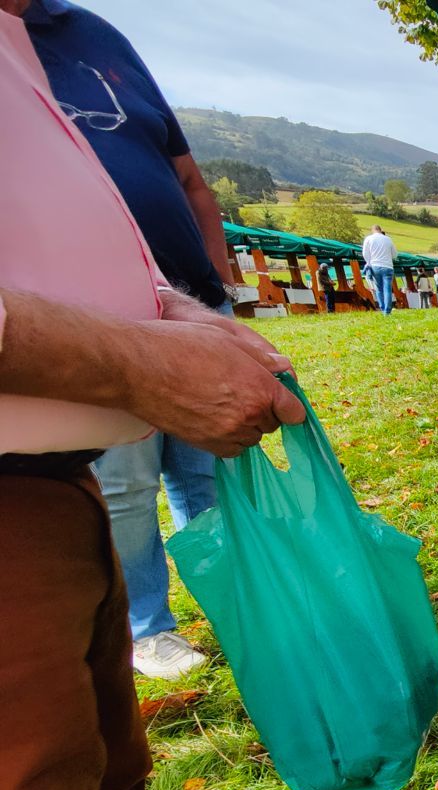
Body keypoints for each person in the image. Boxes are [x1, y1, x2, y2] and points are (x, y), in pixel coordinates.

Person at [0, 7, 359, 790]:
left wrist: (180, 313)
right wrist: (137, 362)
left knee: (99, 775)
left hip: (45, 476)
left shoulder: (49, 31)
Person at [24, 0, 244, 680]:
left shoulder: (92, 32)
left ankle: (237, 601)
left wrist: (219, 286)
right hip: (93, 317)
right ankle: (149, 628)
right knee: (125, 481)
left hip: (191, 301)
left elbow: (189, 178)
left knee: (208, 470)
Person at [361, 223, 397, 316]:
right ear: (380, 230)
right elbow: (394, 255)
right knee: (387, 289)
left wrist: (369, 262)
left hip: (375, 265)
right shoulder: (388, 239)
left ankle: (382, 308)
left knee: (379, 289)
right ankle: (387, 311)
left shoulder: (368, 239)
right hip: (388, 266)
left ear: (372, 231)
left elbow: (365, 253)